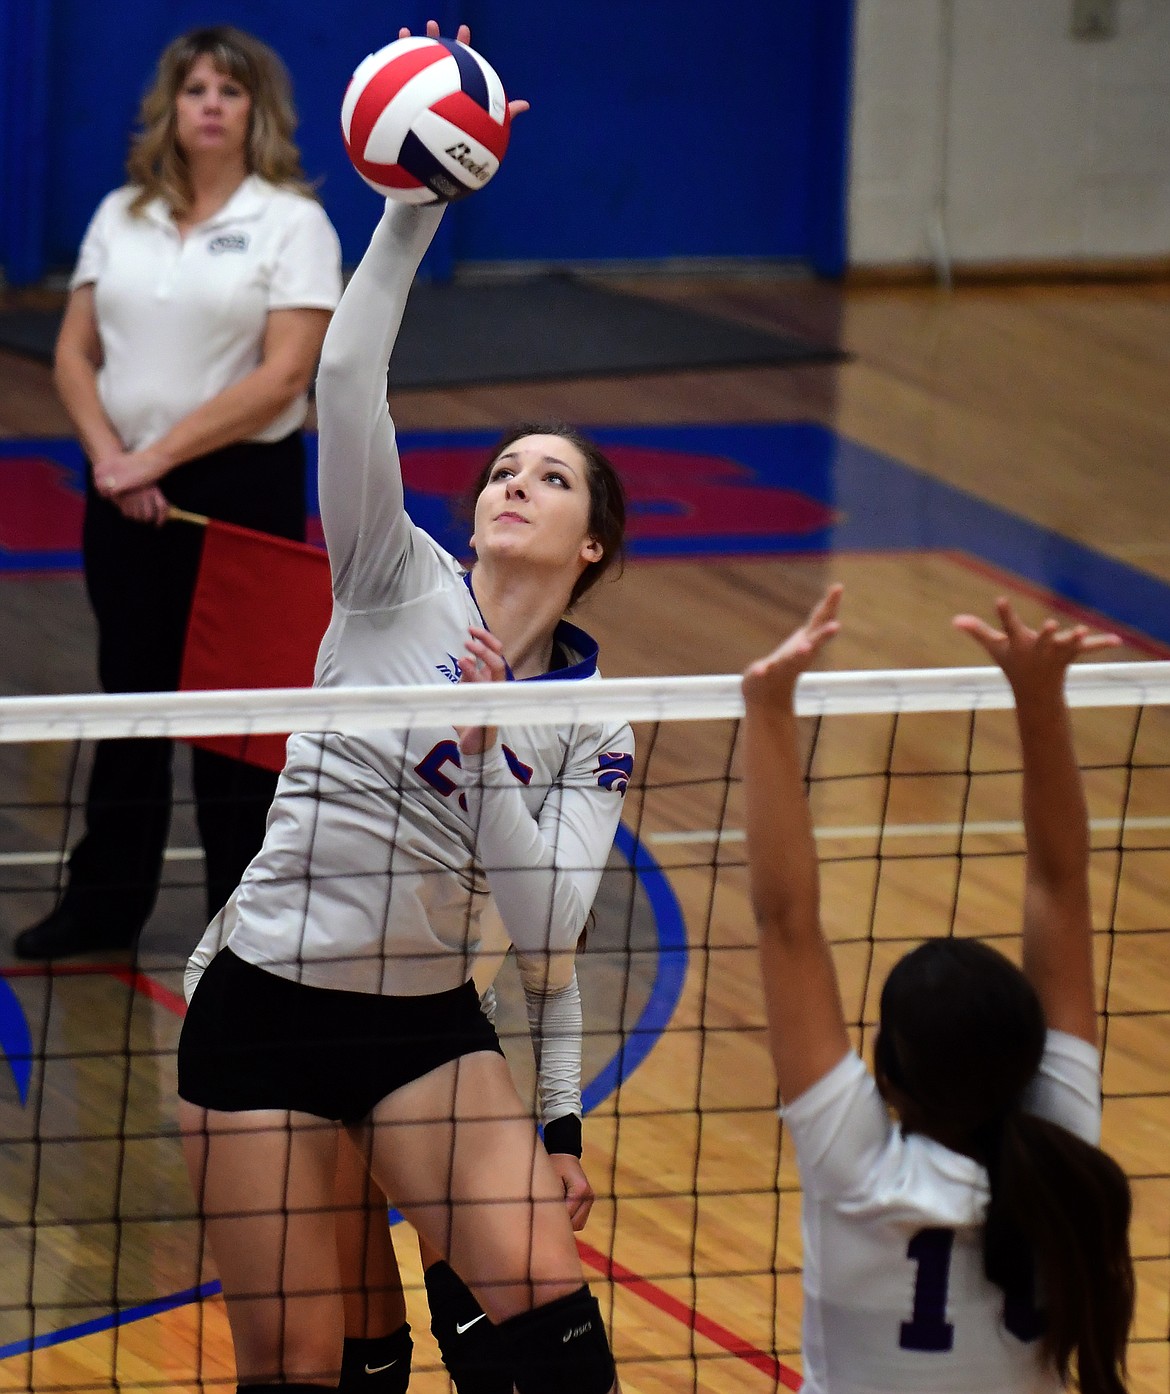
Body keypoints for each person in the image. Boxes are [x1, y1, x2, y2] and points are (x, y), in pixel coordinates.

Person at [176, 20, 629, 1393]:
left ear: (593, 541)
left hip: (422, 1021)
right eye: (502, 466)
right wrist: (407, 212)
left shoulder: (596, 718)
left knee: (550, 1331)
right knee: (313, 1364)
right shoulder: (389, 576)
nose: (512, 483)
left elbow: (547, 930)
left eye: (549, 478)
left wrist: (487, 752)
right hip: (262, 1004)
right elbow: (345, 382)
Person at [741, 586, 1135, 1394]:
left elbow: (789, 922)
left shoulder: (858, 1177)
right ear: (1031, 1060)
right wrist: (1039, 698)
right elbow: (1061, 886)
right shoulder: (1060, 1144)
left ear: (886, 1075)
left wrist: (769, 712)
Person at [14, 25, 342, 960]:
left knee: (232, 726)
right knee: (131, 700)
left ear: (256, 112)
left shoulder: (293, 223)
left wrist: (151, 461)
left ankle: (247, 929)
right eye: (195, 88)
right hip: (119, 487)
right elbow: (75, 352)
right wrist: (113, 460)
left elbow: (284, 378)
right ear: (170, 105)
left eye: (229, 91)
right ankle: (102, 905)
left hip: (235, 491)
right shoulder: (122, 213)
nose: (209, 104)